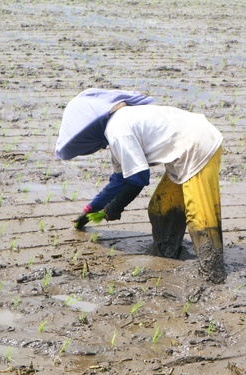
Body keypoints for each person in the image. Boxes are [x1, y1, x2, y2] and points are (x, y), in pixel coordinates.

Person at [55, 88, 225, 283]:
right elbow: (118, 181)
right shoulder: (119, 126)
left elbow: (139, 178)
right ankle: (169, 254)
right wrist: (90, 210)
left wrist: (114, 208)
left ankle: (214, 275)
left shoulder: (118, 131)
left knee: (200, 217)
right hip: (186, 149)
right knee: (160, 209)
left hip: (198, 146)